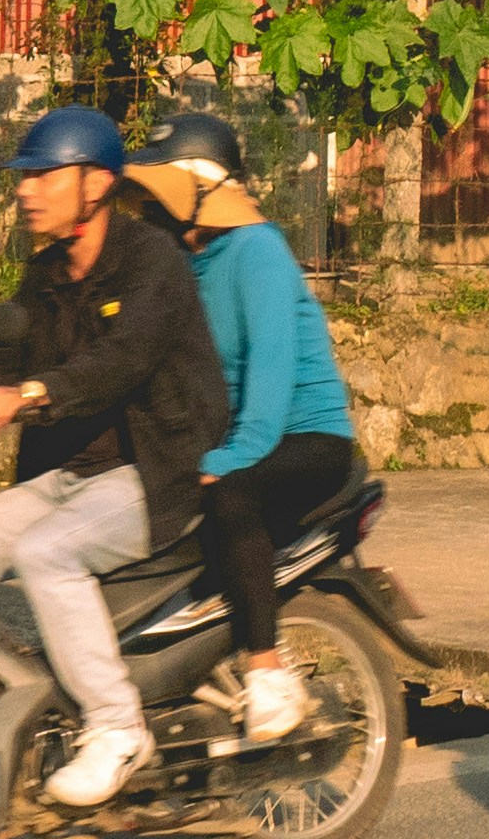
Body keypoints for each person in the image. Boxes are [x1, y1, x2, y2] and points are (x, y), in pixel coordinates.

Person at [0, 106, 223, 807]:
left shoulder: (153, 260)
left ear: (94, 184)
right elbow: (6, 352)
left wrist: (28, 394)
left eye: (42, 176)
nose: (26, 192)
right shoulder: (47, 272)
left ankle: (118, 728)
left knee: (46, 554)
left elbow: (121, 361)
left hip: (159, 473)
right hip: (69, 476)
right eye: (22, 179)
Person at [129, 107, 362, 745]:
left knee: (230, 492)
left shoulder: (257, 249)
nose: (149, 207)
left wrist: (238, 454)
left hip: (306, 438)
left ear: (204, 189)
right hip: (235, 437)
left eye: (161, 190)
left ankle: (266, 673)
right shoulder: (183, 262)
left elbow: (271, 366)